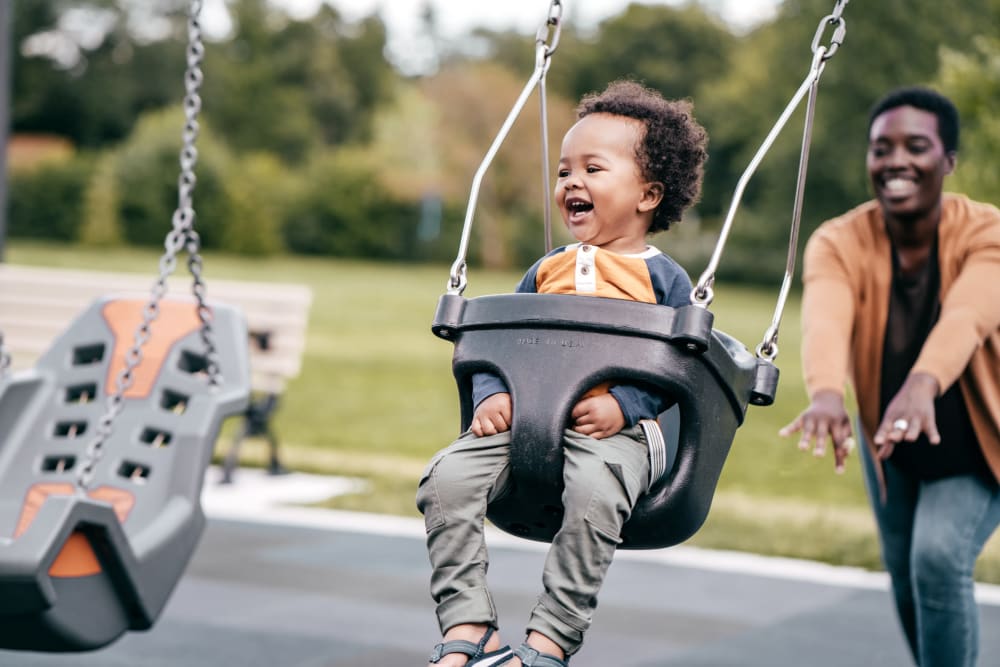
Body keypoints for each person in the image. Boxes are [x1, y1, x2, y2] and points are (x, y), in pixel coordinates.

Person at [417, 80, 708, 667]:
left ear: (648, 194)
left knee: (596, 497)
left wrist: (624, 404)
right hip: (525, 417)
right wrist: (491, 395)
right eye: (564, 171)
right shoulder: (545, 269)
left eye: (592, 169)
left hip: (616, 434)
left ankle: (551, 639)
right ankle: (469, 625)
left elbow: (677, 366)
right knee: (443, 481)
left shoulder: (666, 280)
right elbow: (500, 342)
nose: (571, 182)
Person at [780, 86, 1000, 666]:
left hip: (979, 441)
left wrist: (924, 383)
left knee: (935, 559)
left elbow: (970, 316)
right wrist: (827, 392)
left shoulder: (988, 233)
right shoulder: (838, 240)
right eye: (881, 148)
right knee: (906, 578)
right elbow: (825, 318)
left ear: (948, 160)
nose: (896, 160)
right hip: (891, 439)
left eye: (916, 146)